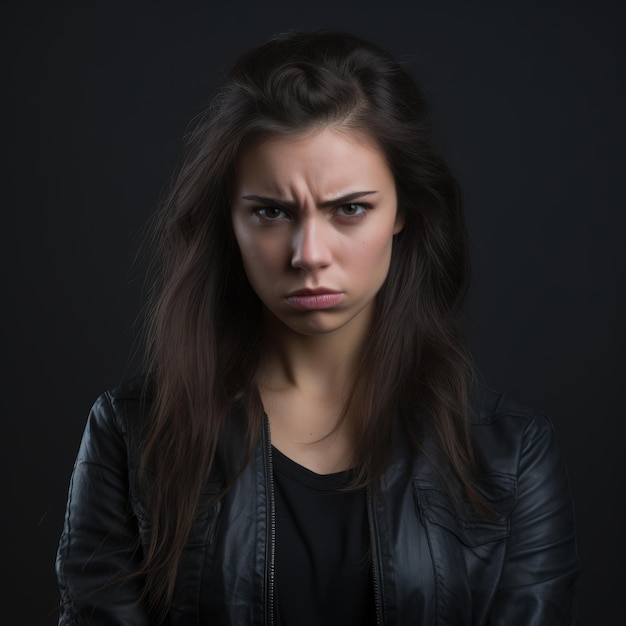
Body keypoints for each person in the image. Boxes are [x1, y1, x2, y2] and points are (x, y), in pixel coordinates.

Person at [56, 31, 579, 625]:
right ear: (230, 220)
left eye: (349, 208)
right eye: (271, 211)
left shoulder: (512, 456)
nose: (308, 253)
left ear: (403, 210)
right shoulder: (131, 437)